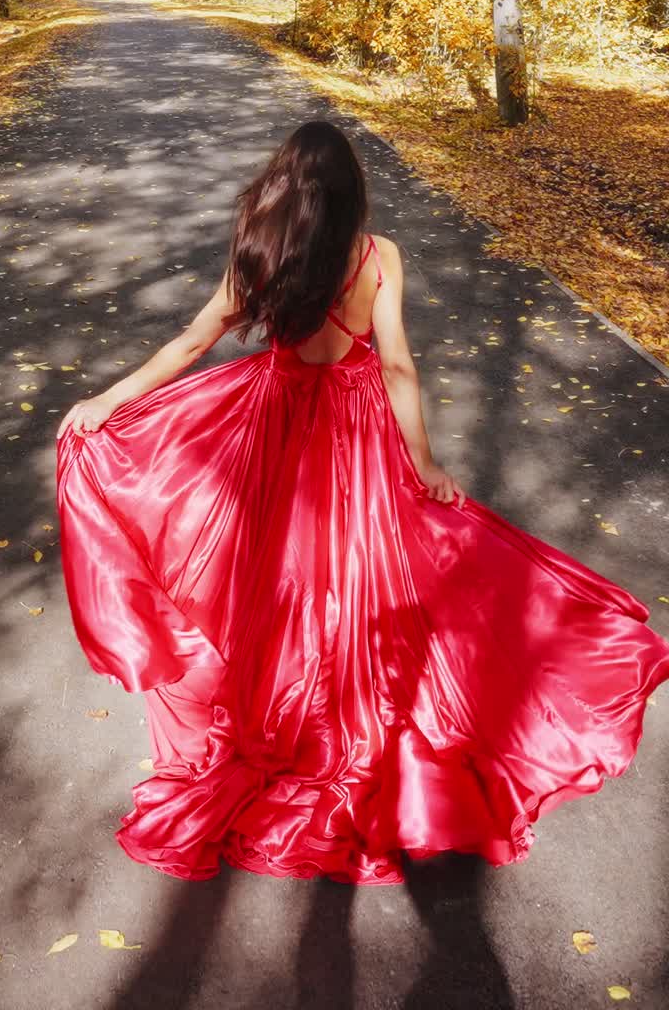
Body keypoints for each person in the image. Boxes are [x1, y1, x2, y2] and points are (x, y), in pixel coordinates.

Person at [56, 119, 669, 886]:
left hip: (277, 423)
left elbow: (189, 344)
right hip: (353, 432)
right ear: (353, 192)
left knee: (275, 572)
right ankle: (347, 699)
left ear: (283, 186)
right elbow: (401, 366)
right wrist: (425, 462)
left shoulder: (261, 255)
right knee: (360, 569)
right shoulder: (379, 258)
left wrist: (107, 400)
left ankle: (281, 703)